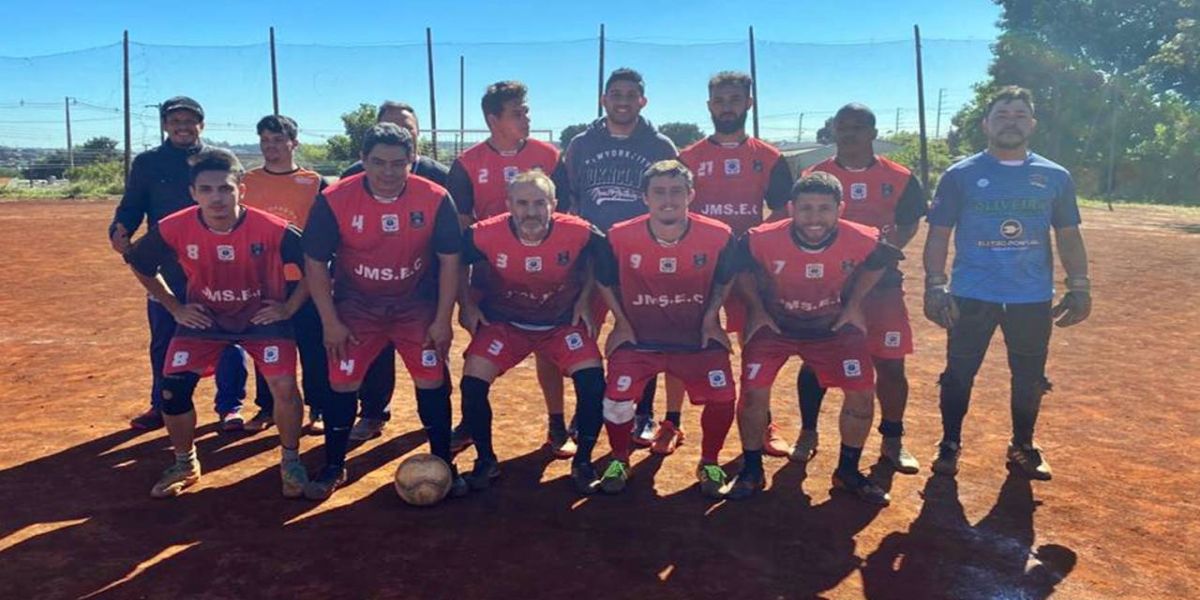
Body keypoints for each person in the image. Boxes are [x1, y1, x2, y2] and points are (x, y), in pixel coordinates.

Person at [923, 85, 1091, 481]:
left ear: (1032, 123)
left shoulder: (1055, 176)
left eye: (1019, 115)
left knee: (1030, 375)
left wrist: (1080, 285)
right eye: (1002, 115)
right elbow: (939, 234)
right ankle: (949, 442)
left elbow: (1068, 234)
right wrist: (934, 283)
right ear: (986, 124)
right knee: (958, 373)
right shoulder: (960, 175)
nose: (1010, 122)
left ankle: (1023, 445)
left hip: (1031, 296)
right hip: (971, 293)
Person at [124, 148, 309, 498]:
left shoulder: (272, 228)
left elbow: (314, 265)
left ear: (241, 189)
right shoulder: (174, 226)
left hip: (260, 318)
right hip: (204, 318)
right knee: (172, 390)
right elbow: (141, 263)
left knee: (284, 387)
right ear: (193, 193)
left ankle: (291, 461)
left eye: (225, 188)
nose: (216, 197)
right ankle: (185, 462)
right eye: (206, 190)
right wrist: (175, 307)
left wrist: (288, 307)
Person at [302, 123, 466, 500]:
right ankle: (333, 464)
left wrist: (442, 320)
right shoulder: (336, 198)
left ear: (412, 161)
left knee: (431, 377)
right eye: (378, 163)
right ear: (363, 161)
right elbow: (313, 261)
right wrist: (330, 321)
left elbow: (450, 260)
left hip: (415, 305)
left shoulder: (436, 197)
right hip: (357, 306)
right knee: (342, 380)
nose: (388, 173)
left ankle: (444, 461)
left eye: (398, 163)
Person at [728, 171, 901, 506]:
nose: (814, 217)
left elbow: (881, 261)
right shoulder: (760, 238)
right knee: (752, 394)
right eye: (806, 208)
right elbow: (738, 267)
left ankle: (847, 471)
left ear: (840, 208)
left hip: (832, 326)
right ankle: (751, 469)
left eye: (824, 208)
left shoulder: (864, 237)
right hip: (776, 326)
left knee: (862, 394)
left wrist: (853, 305)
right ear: (791, 208)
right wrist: (757, 310)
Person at [793, 103, 928, 473]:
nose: (849, 134)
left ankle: (893, 440)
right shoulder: (815, 174)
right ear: (834, 131)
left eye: (857, 127)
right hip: (824, 287)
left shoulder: (899, 176)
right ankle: (808, 433)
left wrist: (886, 253)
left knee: (890, 364)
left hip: (881, 288)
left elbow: (910, 221)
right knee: (815, 362)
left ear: (873, 132)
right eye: (842, 127)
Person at [592, 160, 738, 498]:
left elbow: (725, 277)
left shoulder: (719, 235)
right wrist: (621, 323)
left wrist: (711, 318)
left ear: (691, 194)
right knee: (616, 398)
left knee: (724, 395)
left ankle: (710, 462)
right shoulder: (618, 236)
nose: (668, 199)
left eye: (676, 191)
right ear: (645, 197)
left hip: (695, 337)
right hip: (639, 337)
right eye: (659, 192)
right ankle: (619, 459)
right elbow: (604, 278)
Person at [456, 170, 608, 494]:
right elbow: (455, 261)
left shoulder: (580, 232)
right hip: (505, 324)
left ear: (554, 204)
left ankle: (583, 461)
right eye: (522, 203)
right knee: (472, 381)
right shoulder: (483, 234)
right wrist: (467, 303)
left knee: (593, 382)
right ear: (508, 204)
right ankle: (485, 460)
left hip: (560, 323)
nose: (531, 211)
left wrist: (585, 299)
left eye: (540, 203)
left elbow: (602, 259)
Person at [446, 81, 573, 458]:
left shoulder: (549, 157)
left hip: (546, 276)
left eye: (526, 111)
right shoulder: (467, 164)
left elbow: (564, 219)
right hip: (491, 278)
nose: (527, 118)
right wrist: (466, 302)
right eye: (518, 113)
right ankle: (471, 422)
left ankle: (556, 423)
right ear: (493, 119)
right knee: (479, 350)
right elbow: (461, 236)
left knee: (548, 350)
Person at [109, 96, 247, 432]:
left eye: (189, 120)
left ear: (201, 123)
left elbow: (240, 201)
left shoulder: (220, 158)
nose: (182, 126)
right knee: (165, 337)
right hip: (166, 261)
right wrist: (119, 227)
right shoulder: (147, 163)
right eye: (175, 121)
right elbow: (132, 205)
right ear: (165, 125)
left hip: (217, 262)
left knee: (228, 336)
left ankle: (229, 407)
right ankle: (161, 403)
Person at [557, 68, 678, 447]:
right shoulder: (580, 144)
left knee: (643, 331)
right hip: (592, 251)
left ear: (642, 101)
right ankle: (587, 408)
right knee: (585, 329)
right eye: (616, 94)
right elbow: (569, 197)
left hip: (643, 253)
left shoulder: (660, 146)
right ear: (604, 99)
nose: (623, 100)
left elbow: (674, 197)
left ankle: (642, 411)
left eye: (631, 94)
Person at [678, 70, 794, 458]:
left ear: (749, 103)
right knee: (682, 339)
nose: (726, 107)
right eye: (720, 101)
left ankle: (762, 422)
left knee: (754, 344)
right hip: (700, 265)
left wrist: (754, 242)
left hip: (750, 267)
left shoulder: (770, 157)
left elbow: (781, 207)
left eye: (734, 99)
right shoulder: (688, 157)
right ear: (710, 106)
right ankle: (669, 422)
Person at [340, 101, 450, 442]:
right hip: (366, 290)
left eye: (407, 129)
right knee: (372, 353)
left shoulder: (438, 176)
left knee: (430, 356)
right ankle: (372, 413)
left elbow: (451, 241)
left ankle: (435, 424)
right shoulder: (352, 177)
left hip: (421, 286)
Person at [239, 114, 329, 435]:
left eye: (277, 140)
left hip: (304, 279)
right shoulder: (245, 182)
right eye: (265, 140)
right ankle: (267, 407)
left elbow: (325, 233)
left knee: (313, 346)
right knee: (267, 343)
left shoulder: (315, 182)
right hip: (261, 280)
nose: (270, 147)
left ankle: (318, 407)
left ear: (294, 143)